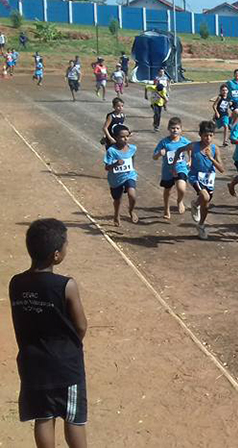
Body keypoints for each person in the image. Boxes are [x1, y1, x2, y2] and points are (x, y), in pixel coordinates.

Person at [9, 218, 88, 448]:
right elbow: (81, 325)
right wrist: (70, 347)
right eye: (65, 245)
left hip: (33, 362)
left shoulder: (16, 283)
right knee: (73, 418)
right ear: (56, 255)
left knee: (43, 416)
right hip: (66, 365)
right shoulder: (66, 285)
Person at [185, 121, 225, 239]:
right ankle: (197, 204)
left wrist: (211, 158)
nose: (208, 138)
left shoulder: (215, 149)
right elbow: (179, 151)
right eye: (205, 135)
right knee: (205, 197)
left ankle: (201, 223)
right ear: (200, 135)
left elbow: (222, 169)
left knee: (205, 205)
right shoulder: (193, 146)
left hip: (209, 179)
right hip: (195, 177)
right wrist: (182, 162)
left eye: (211, 135)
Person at [153, 116, 191, 219]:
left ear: (181, 129)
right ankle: (166, 208)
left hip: (181, 167)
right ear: (169, 129)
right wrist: (159, 154)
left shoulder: (184, 141)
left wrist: (190, 160)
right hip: (168, 170)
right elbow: (154, 157)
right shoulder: (164, 142)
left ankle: (180, 201)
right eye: (173, 128)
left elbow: (191, 149)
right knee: (167, 190)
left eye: (177, 128)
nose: (175, 130)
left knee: (181, 188)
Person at [103, 124, 138, 226]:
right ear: (116, 137)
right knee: (117, 200)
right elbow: (106, 167)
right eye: (122, 137)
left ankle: (131, 211)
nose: (125, 139)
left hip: (129, 175)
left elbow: (132, 160)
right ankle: (116, 214)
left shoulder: (132, 148)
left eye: (127, 136)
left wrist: (132, 171)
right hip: (115, 178)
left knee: (132, 195)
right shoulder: (111, 151)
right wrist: (115, 164)